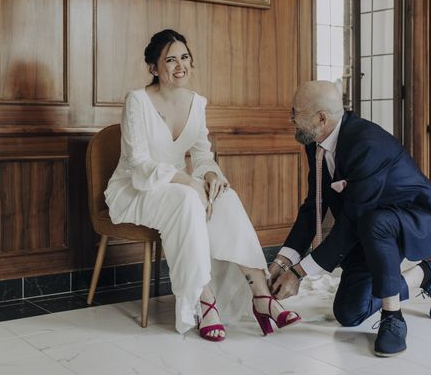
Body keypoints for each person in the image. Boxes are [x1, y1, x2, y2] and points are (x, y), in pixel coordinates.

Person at [104, 29, 299, 341]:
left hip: (180, 188)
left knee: (226, 197)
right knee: (187, 200)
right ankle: (204, 300)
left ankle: (261, 294)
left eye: (184, 57)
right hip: (135, 189)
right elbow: (139, 164)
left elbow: (203, 156)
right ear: (154, 68)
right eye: (170, 59)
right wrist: (188, 183)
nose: (180, 65)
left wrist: (208, 175)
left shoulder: (197, 103)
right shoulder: (137, 101)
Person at [269, 81, 431, 357]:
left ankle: (394, 319)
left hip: (414, 219)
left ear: (321, 118)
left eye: (295, 112)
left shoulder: (366, 143)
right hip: (368, 229)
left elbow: (354, 220)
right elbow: (314, 206)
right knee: (349, 313)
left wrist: (299, 273)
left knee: (374, 221)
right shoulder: (315, 142)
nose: (291, 119)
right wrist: (283, 261)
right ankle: (427, 273)